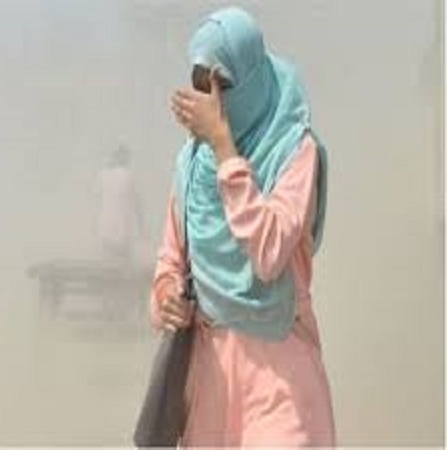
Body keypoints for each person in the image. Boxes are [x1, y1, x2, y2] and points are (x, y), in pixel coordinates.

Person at [149, 7, 335, 447]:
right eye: (201, 84)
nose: (212, 101)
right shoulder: (190, 166)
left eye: (223, 85)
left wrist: (225, 150)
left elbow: (269, 252)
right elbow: (169, 263)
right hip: (210, 387)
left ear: (252, 80)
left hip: (281, 384)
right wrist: (166, 299)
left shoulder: (295, 152)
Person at [97, 145, 144, 266]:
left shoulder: (103, 175)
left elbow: (97, 200)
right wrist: (142, 228)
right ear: (126, 160)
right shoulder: (129, 176)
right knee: (125, 267)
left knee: (107, 266)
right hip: (123, 234)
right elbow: (137, 205)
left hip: (105, 231)